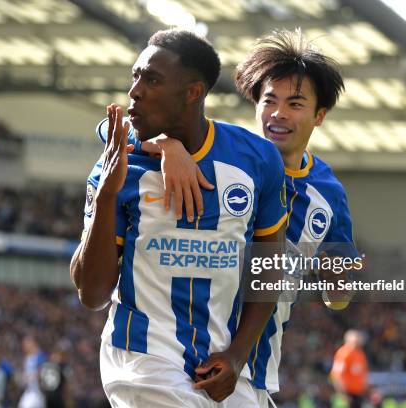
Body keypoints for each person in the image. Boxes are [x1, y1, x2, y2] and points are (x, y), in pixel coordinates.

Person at [104, 29, 358, 407]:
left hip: (253, 374)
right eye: (269, 100)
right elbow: (115, 133)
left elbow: (338, 291)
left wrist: (339, 285)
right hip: (192, 363)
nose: (278, 114)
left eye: (295, 104)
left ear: (319, 116)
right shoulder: (228, 156)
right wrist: (166, 145)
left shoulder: (328, 193)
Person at [70, 28, 288, 407]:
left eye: (151, 79)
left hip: (221, 368)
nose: (134, 91)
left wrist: (238, 355)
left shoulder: (255, 159)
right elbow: (91, 295)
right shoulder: (120, 164)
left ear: (192, 92)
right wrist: (106, 195)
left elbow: (268, 267)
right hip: (144, 362)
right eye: (134, 77)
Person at [330, 330, 368, 408]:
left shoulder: (360, 354)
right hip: (347, 394)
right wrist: (342, 394)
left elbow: (362, 374)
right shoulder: (344, 353)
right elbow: (336, 375)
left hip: (358, 394)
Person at [19, 335, 48, 408]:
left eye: (26, 344)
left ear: (32, 343)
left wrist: (32, 377)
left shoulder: (40, 356)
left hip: (37, 392)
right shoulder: (27, 358)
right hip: (29, 391)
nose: (24, 346)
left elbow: (43, 371)